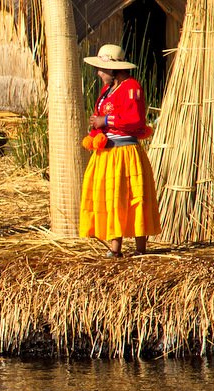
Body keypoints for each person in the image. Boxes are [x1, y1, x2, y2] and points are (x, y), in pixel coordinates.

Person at [78, 44, 161, 257]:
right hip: (108, 152)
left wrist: (104, 120)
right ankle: (115, 249)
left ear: (114, 69)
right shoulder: (107, 89)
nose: (98, 72)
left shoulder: (131, 87)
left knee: (134, 196)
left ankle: (140, 249)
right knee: (112, 197)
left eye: (101, 68)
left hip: (125, 152)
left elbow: (135, 120)